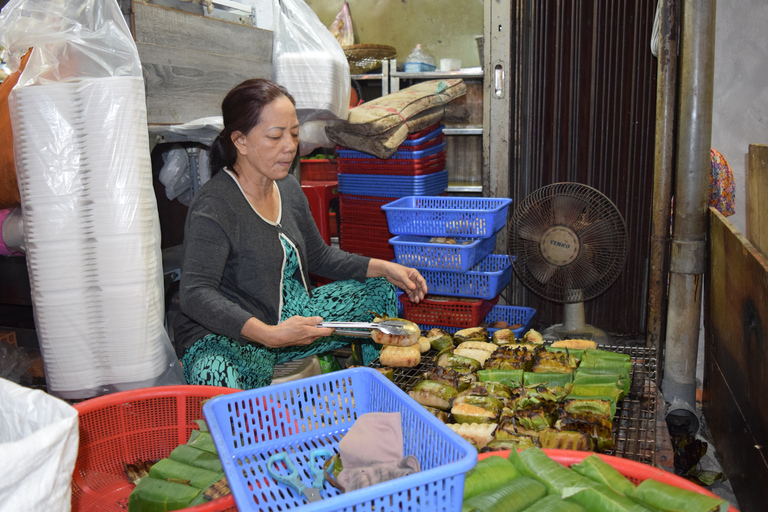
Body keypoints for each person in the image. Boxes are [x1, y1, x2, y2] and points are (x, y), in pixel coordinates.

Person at [173, 78, 428, 389]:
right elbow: (196, 294)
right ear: (240, 141)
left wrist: (385, 267)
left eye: (294, 134)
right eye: (275, 136)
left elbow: (319, 255)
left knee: (378, 291)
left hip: (290, 318)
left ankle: (378, 384)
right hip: (233, 334)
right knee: (217, 381)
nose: (289, 146)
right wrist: (268, 335)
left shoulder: (287, 187)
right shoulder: (215, 204)